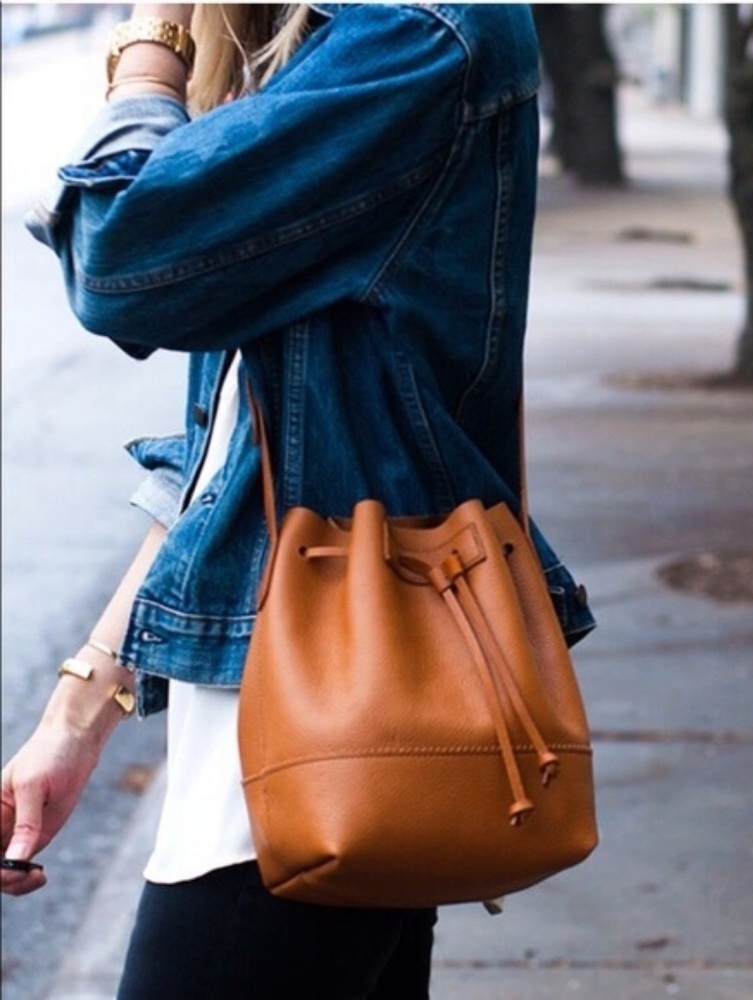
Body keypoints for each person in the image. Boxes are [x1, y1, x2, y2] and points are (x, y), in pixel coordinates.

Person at [0, 4, 595, 998]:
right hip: (297, 714)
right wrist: (81, 707)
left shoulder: (419, 33)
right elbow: (228, 447)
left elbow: (119, 256)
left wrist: (150, 46)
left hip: (331, 716)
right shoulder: (332, 49)